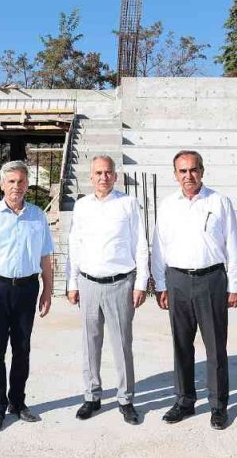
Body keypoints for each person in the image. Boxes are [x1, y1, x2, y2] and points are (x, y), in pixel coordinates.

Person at [151, 150, 237, 430]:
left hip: (212, 280)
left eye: (193, 170)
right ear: (175, 174)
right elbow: (159, 246)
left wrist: (234, 285)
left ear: (202, 171)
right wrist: (160, 283)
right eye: (182, 171)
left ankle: (218, 406)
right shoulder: (168, 205)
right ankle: (184, 401)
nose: (188, 176)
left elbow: (233, 244)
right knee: (181, 346)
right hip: (177, 280)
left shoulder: (219, 202)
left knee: (215, 346)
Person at [0, 160, 55, 432]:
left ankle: (17, 402)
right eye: (11, 181)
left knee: (22, 349)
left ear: (27, 185)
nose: (16, 186)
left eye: (21, 181)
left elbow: (46, 258)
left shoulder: (38, 216)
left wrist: (48, 290)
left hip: (27, 290)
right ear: (2, 185)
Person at [66, 155, 148, 425]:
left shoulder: (128, 204)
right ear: (91, 177)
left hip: (120, 283)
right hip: (89, 283)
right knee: (90, 343)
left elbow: (140, 244)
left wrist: (141, 282)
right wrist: (72, 281)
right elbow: (74, 244)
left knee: (122, 344)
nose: (103, 177)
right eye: (98, 173)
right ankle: (92, 396)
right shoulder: (82, 206)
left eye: (108, 173)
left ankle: (125, 398)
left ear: (115, 176)